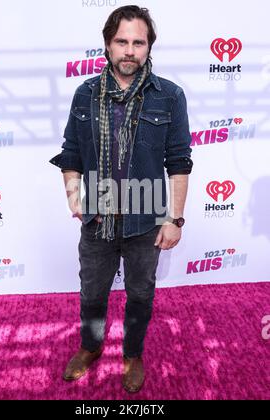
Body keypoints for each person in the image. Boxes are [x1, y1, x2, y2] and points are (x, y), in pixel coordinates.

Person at [49, 5, 193, 393]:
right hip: (97, 219)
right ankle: (91, 347)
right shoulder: (85, 94)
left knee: (140, 295)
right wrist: (73, 194)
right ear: (108, 45)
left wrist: (174, 219)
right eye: (121, 42)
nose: (130, 50)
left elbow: (179, 163)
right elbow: (71, 152)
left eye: (138, 42)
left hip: (146, 222)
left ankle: (132, 354)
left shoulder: (170, 96)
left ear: (148, 47)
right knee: (92, 293)